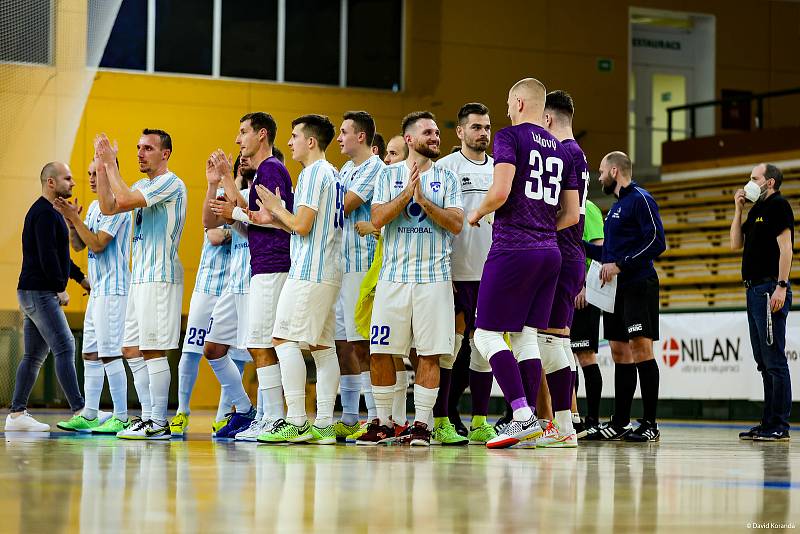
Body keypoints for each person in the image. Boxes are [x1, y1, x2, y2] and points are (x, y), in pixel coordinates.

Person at [467, 78, 580, 449]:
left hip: (514, 247)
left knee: (484, 334)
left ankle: (520, 414)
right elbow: (571, 214)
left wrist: (477, 212)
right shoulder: (562, 151)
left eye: (506, 103)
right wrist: (543, 227)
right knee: (526, 335)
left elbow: (499, 192)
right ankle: (529, 417)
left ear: (518, 103)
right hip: (551, 252)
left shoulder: (509, 137)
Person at [358, 111, 463, 447]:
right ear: (409, 139)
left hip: (434, 280)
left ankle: (421, 424)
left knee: (429, 354)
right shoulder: (388, 176)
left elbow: (457, 223)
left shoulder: (447, 178)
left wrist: (424, 202)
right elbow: (376, 218)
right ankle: (385, 422)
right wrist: (406, 196)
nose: (435, 137)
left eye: (436, 132)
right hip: (393, 279)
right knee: (380, 351)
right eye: (428, 132)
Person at [252, 114, 343, 445]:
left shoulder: (312, 173)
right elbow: (306, 226)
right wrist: (274, 218)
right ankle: (323, 424)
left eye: (294, 136)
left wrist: (277, 208)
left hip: (309, 272)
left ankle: (295, 422)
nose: (289, 143)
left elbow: (302, 226)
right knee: (322, 346)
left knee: (283, 340)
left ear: (311, 141)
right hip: (329, 271)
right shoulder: (333, 174)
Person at [95, 129, 187, 440]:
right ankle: (148, 417)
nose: (140, 152)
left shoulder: (171, 182)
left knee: (152, 349)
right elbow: (109, 206)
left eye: (147, 148)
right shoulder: (140, 184)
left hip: (160, 275)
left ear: (165, 154)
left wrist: (110, 164)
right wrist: (103, 166)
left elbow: (126, 199)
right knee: (131, 348)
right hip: (141, 277)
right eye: (137, 147)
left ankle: (159, 420)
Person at [582, 151, 665, 442]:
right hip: (616, 290)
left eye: (603, 171)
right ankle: (619, 421)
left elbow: (657, 242)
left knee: (642, 349)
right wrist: (578, 246)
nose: (600, 176)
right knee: (619, 352)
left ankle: (650, 424)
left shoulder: (640, 199)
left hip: (638, 285)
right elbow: (607, 255)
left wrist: (621, 264)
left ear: (615, 171)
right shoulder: (616, 208)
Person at [5, 162, 91, 432]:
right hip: (39, 292)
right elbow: (48, 257)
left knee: (33, 356)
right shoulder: (43, 213)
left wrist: (80, 278)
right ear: (51, 183)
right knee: (65, 346)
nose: (73, 183)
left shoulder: (51, 213)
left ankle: (17, 415)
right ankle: (80, 410)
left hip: (31, 292)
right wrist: (59, 287)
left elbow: (61, 256)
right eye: (68, 178)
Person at [227, 112, 294, 442]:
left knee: (263, 343)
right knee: (262, 344)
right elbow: (255, 220)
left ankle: (277, 418)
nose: (239, 140)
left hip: (274, 265)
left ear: (262, 134)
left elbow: (275, 218)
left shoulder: (271, 168)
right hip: (264, 265)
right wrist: (227, 181)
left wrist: (236, 212)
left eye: (243, 132)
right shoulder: (262, 173)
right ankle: (272, 416)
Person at [55, 159, 132, 434]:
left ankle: (121, 416)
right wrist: (71, 222)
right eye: (87, 173)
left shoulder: (119, 206)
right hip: (98, 291)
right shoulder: (95, 207)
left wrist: (75, 219)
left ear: (110, 172)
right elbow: (79, 245)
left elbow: (98, 244)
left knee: (110, 354)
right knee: (90, 353)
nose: (89, 178)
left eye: (95, 172)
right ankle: (89, 414)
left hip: (114, 291)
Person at [533, 90, 591, 448]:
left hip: (563, 251)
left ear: (549, 120)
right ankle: (558, 422)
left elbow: (566, 212)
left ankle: (561, 425)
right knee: (553, 342)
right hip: (569, 254)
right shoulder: (578, 153)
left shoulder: (563, 153)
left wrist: (533, 228)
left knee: (550, 342)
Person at [434, 102, 495, 445]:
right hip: (455, 273)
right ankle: (441, 417)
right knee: (450, 349)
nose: (482, 133)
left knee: (484, 348)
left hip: (490, 274)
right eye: (476, 127)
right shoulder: (446, 168)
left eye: (486, 127)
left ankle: (481, 421)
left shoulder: (501, 168)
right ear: (460, 132)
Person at [333, 111, 385, 440]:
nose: (339, 137)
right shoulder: (345, 169)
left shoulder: (374, 168)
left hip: (362, 265)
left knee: (364, 343)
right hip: (341, 263)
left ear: (361, 137)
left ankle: (378, 417)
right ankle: (351, 416)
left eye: (344, 132)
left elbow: (344, 206)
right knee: (344, 342)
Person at [732, 163, 794, 441]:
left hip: (770, 288)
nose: (749, 182)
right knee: (763, 360)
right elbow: (736, 243)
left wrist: (781, 286)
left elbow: (786, 248)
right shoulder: (756, 209)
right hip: (753, 290)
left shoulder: (779, 206)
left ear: (769, 182)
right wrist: (738, 209)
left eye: (754, 178)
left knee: (774, 360)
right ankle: (768, 422)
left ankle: (779, 424)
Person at [200, 152, 258, 438]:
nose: (242, 160)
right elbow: (210, 225)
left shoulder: (273, 191)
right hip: (232, 284)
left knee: (263, 354)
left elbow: (256, 222)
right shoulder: (236, 192)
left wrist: (231, 193)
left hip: (258, 282)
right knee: (212, 348)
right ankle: (246, 410)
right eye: (240, 160)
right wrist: (214, 184)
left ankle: (277, 417)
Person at [169, 197, 231, 437]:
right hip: (206, 288)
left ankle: (223, 416)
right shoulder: (221, 197)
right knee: (191, 350)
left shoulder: (254, 198)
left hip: (234, 288)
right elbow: (214, 236)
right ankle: (182, 411)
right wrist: (242, 229)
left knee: (233, 354)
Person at [571, 198, 604, 435]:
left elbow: (599, 249)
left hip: (583, 294)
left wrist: (584, 285)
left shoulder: (588, 208)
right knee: (565, 357)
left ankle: (592, 419)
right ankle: (572, 418)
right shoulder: (564, 205)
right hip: (564, 291)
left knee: (585, 356)